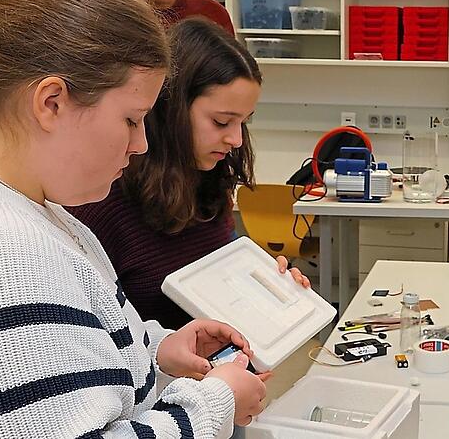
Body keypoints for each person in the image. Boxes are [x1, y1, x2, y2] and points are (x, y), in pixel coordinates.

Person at [0, 0, 265, 438]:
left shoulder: (33, 215)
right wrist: (214, 402)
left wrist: (156, 351)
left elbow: (65, 364)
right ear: (51, 103)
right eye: (131, 119)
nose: (141, 143)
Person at [69, 18, 310, 331]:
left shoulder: (208, 182)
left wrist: (266, 285)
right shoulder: (103, 203)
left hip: (215, 372)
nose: (236, 140)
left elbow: (217, 286)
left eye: (244, 122)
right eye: (222, 122)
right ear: (171, 109)